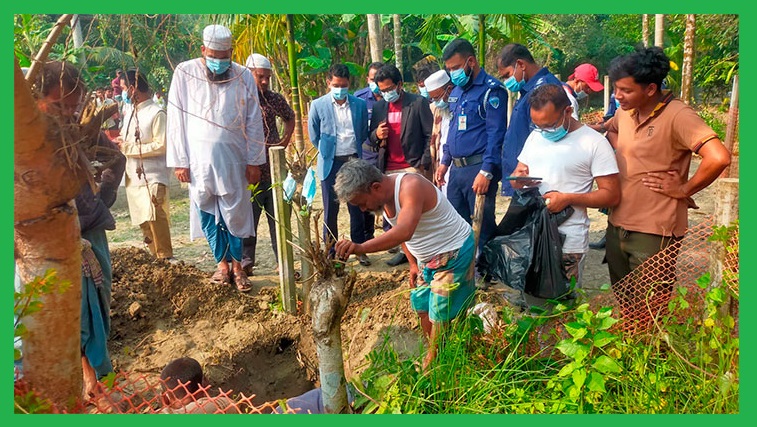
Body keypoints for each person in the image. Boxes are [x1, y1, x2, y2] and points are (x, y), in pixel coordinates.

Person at [594, 46, 730, 285]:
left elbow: (718, 157)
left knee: (649, 307)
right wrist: (622, 153)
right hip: (617, 224)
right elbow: (611, 128)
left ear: (650, 89)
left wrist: (683, 189)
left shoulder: (679, 116)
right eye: (615, 88)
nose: (617, 95)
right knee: (625, 302)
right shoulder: (626, 112)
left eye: (625, 90)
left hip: (655, 231)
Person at [34, 61, 126, 398]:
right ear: (38, 99)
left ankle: (95, 378)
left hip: (91, 232)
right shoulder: (29, 138)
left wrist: (102, 195)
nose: (68, 112)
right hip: (50, 241)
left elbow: (116, 159)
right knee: (69, 312)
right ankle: (88, 379)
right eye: (59, 104)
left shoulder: (81, 129)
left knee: (96, 306)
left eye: (73, 104)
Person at [334, 159, 476, 370]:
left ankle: (436, 361)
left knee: (440, 312)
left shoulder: (410, 187)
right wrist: (412, 264)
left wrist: (360, 247)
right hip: (426, 260)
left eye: (361, 203)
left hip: (453, 252)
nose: (363, 209)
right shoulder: (384, 200)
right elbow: (403, 235)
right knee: (421, 305)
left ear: (375, 187)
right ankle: (437, 350)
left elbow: (404, 231)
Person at [166, 24, 266, 292]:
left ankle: (238, 267)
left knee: (236, 214)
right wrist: (180, 161)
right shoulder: (185, 72)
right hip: (198, 162)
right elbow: (176, 118)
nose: (219, 62)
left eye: (224, 57)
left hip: (235, 159)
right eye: (214, 56)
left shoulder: (244, 76)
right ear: (203, 50)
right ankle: (221, 265)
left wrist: (255, 161)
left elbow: (254, 120)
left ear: (231, 53)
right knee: (206, 210)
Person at [510, 84, 620, 286]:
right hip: (533, 234)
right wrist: (518, 179)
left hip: (569, 242)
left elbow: (611, 195)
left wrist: (568, 198)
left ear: (568, 111)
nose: (544, 131)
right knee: (534, 305)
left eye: (549, 125)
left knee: (564, 307)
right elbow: (520, 171)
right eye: (538, 125)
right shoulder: (535, 136)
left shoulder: (593, 143)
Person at [435, 38, 508, 262]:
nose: (453, 72)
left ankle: (486, 272)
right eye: (449, 69)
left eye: (456, 67)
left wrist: (487, 171)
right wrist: (444, 162)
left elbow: (496, 134)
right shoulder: (456, 92)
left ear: (471, 62)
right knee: (457, 223)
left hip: (478, 169)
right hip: (456, 170)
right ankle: (464, 271)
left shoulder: (492, 91)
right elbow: (453, 130)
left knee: (482, 223)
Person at [368, 63, 433, 267]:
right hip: (388, 168)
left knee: (416, 215)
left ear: (400, 84)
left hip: (412, 167)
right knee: (395, 216)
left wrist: (423, 163)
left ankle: (424, 253)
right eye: (382, 90)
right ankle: (407, 254)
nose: (386, 93)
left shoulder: (417, 103)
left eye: (389, 89)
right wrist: (377, 135)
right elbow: (371, 138)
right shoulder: (379, 107)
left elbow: (428, 134)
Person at [240, 53, 296, 275]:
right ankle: (246, 262)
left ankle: (283, 261)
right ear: (248, 74)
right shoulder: (240, 98)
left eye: (267, 78)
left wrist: (284, 141)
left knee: (278, 220)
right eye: (260, 76)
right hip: (249, 173)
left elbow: (289, 118)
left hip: (273, 171)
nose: (264, 81)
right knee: (248, 220)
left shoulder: (274, 99)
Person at [307, 64, 370, 263]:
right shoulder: (318, 105)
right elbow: (314, 135)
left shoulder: (359, 105)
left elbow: (362, 132)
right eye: (336, 85)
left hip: (352, 161)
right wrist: (327, 152)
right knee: (330, 210)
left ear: (349, 84)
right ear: (329, 83)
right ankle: (330, 252)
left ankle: (359, 249)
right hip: (330, 163)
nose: (340, 88)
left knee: (356, 207)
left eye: (343, 85)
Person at [159, 357, 354, 414]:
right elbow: (233, 408)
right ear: (205, 384)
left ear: (164, 398)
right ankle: (358, 393)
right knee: (294, 407)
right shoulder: (218, 406)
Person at [117, 69, 174, 261]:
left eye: (124, 88)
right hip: (134, 176)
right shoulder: (130, 114)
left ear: (133, 89)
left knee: (155, 216)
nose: (123, 92)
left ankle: (165, 256)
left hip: (153, 175)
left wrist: (128, 148)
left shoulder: (156, 113)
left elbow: (162, 144)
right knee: (143, 220)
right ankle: (154, 257)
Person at [496, 43, 561, 196]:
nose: (506, 81)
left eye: (507, 75)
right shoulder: (527, 90)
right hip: (524, 180)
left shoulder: (544, 89)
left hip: (536, 183)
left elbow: (543, 138)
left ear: (520, 65)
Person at [353, 61, 385, 257]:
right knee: (364, 199)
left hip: (384, 156)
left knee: (384, 197)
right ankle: (365, 239)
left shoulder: (390, 99)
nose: (376, 83)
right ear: (368, 79)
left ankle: (384, 237)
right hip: (365, 155)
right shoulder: (359, 99)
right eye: (372, 79)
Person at [424, 69, 453, 196]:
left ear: (449, 90)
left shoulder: (458, 108)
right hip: (442, 163)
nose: (436, 102)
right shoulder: (439, 111)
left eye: (437, 98)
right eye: (433, 99)